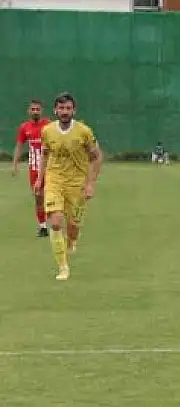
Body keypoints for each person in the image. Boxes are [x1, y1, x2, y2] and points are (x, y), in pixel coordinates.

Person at [37, 92, 102, 281]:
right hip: (55, 180)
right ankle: (63, 267)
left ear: (74, 110)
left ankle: (72, 241)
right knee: (56, 222)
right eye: (61, 108)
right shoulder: (47, 131)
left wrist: (90, 184)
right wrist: (40, 179)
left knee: (73, 225)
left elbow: (97, 157)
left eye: (68, 108)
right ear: (55, 110)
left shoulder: (84, 131)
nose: (64, 112)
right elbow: (45, 154)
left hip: (77, 183)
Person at [12, 99, 50, 237]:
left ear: (42, 111)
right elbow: (19, 145)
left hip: (50, 167)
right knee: (38, 197)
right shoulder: (24, 127)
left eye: (37, 109)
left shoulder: (48, 125)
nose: (35, 112)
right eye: (33, 109)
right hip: (34, 168)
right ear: (29, 111)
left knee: (52, 196)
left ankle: (56, 224)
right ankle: (43, 226)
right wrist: (15, 164)